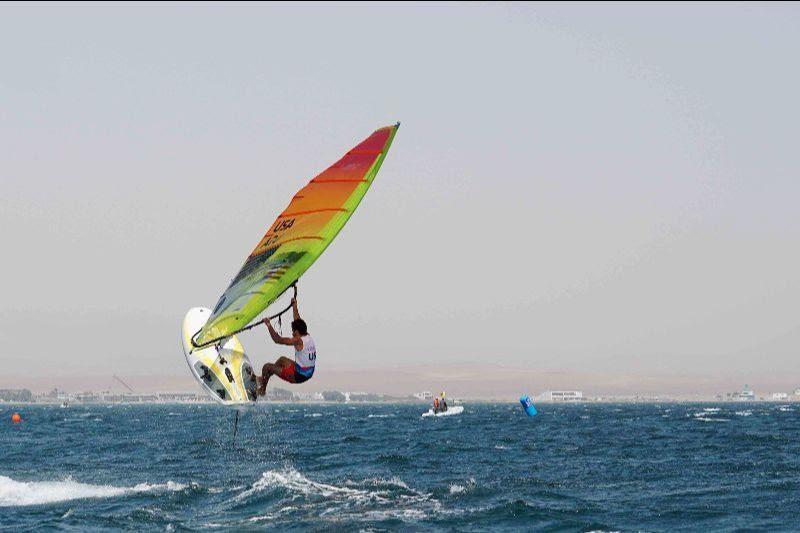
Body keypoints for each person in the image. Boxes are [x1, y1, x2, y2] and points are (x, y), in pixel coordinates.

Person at [256, 295, 316, 396]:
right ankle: (263, 379)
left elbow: (277, 340)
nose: (292, 334)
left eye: (293, 332)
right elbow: (298, 320)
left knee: (266, 367)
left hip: (298, 376)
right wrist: (294, 306)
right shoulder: (306, 335)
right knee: (282, 360)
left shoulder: (298, 340)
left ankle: (262, 390)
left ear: (297, 331)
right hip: (305, 371)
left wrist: (268, 325)